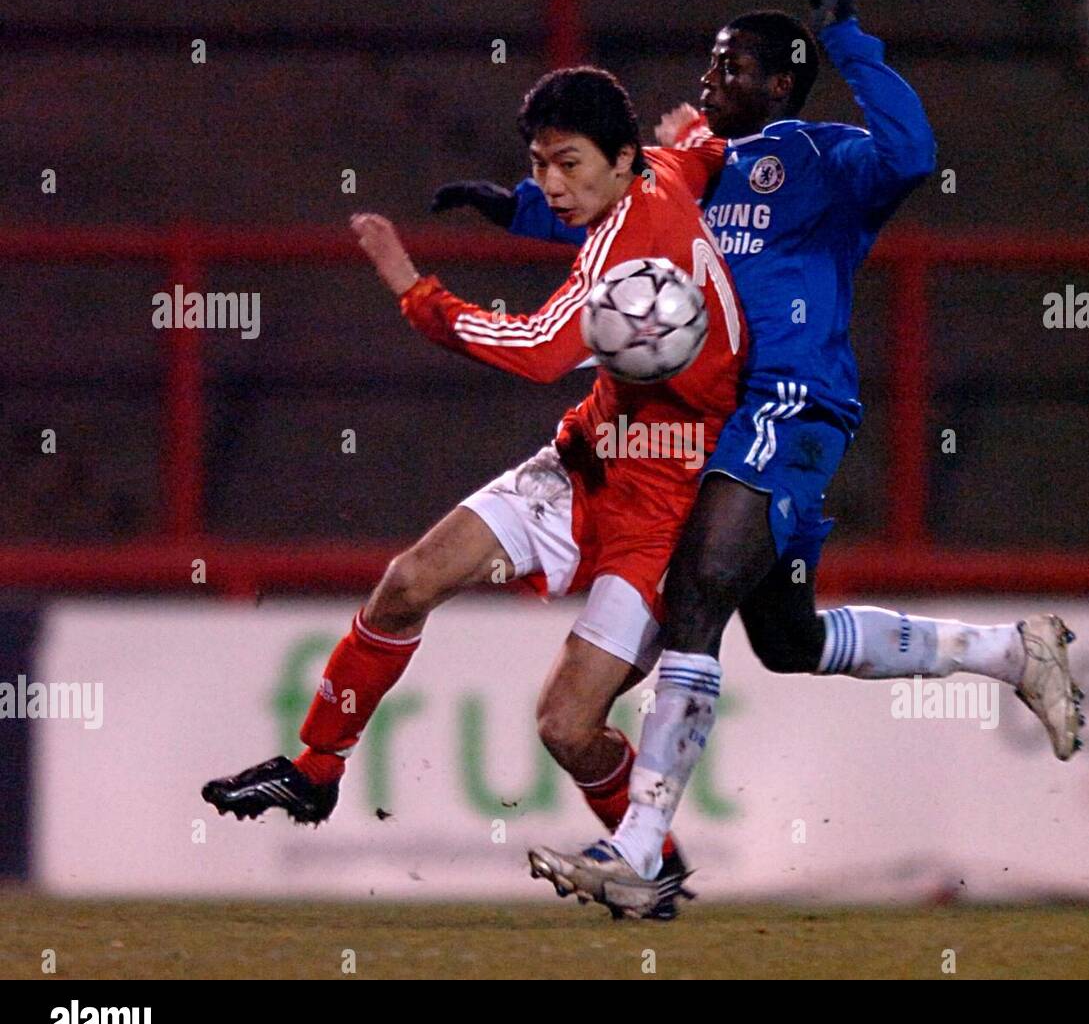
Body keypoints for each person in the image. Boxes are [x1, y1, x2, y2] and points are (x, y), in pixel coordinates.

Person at [436, 0, 1082, 918]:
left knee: (695, 591)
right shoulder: (696, 167)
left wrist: (851, 40)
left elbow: (912, 153)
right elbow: (613, 205)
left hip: (792, 404)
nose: (710, 81)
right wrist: (519, 208)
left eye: (731, 67)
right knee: (785, 637)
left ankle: (641, 847)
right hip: (714, 421)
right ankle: (1009, 652)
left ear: (783, 81)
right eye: (708, 65)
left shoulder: (822, 159)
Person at [202, 66, 746, 919]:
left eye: (568, 164)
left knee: (567, 727)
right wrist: (699, 133)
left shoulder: (623, 257)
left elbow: (533, 349)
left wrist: (412, 289)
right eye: (539, 165)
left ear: (619, 160)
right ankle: (313, 770)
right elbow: (700, 156)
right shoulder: (666, 172)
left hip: (666, 508)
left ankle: (658, 867)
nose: (552, 186)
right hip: (584, 462)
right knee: (407, 582)